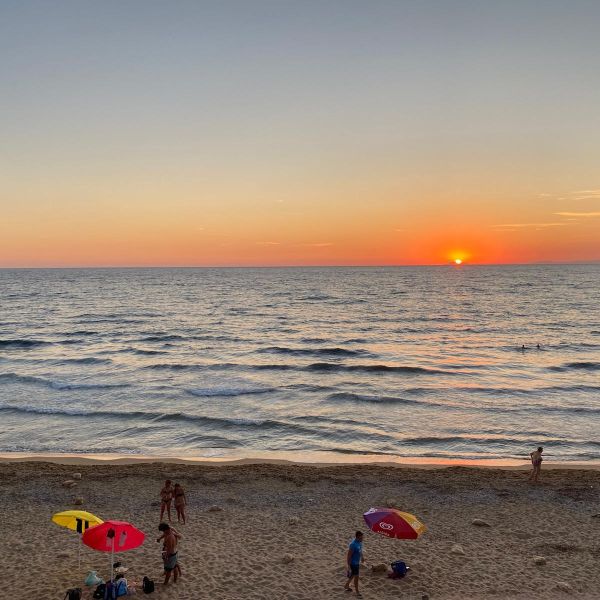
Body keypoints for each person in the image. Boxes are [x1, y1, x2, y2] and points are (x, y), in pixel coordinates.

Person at [344, 531, 365, 596]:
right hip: (353, 563)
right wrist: (349, 565)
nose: (362, 539)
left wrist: (362, 557)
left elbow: (360, 550)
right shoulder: (353, 544)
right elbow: (349, 556)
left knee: (353, 575)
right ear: (358, 537)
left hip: (357, 562)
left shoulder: (360, 543)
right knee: (356, 577)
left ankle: (346, 585)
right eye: (361, 537)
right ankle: (357, 591)